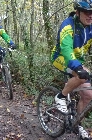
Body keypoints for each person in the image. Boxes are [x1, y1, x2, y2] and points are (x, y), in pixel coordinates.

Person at [51, 0, 92, 139]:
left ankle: (78, 124)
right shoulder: (68, 25)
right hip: (61, 58)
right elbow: (66, 49)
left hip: (77, 60)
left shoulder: (90, 27)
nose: (90, 15)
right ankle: (60, 96)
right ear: (77, 12)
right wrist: (78, 68)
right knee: (81, 75)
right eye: (87, 12)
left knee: (88, 95)